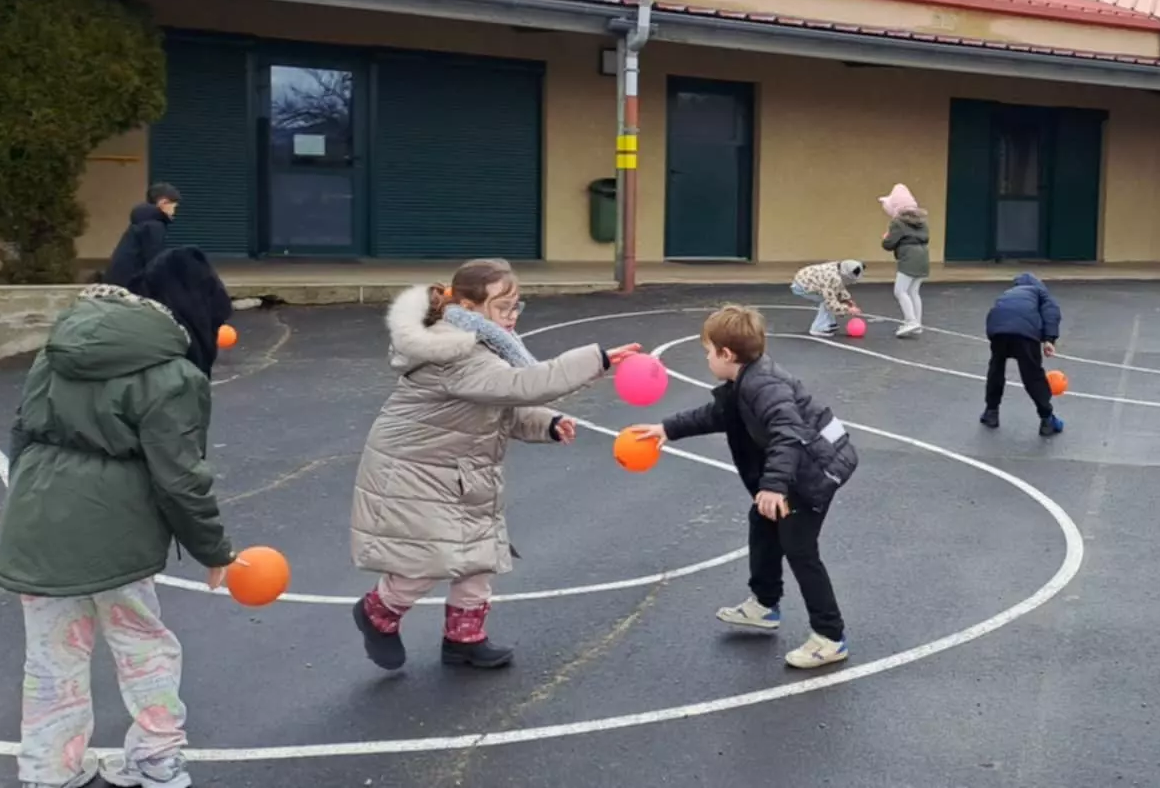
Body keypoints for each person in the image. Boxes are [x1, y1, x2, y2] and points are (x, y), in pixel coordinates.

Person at [0, 246, 237, 788]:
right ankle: (157, 758)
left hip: (38, 519)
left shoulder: (58, 347)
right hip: (117, 527)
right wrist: (213, 549)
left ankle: (48, 770)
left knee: (52, 655)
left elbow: (23, 429)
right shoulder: (173, 373)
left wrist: (35, 498)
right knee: (143, 644)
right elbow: (180, 476)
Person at [349, 258, 638, 671]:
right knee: (430, 557)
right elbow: (519, 385)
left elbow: (496, 406)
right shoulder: (454, 349)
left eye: (516, 306)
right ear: (468, 306)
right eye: (502, 306)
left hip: (462, 470)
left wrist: (546, 423)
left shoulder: (489, 344)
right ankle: (378, 613)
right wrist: (599, 360)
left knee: (479, 553)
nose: (511, 315)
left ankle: (464, 639)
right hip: (418, 468)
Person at [638, 305, 858, 669]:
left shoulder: (764, 386)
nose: (707, 357)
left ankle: (830, 637)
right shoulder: (746, 381)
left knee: (799, 548)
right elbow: (718, 415)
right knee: (763, 521)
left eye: (708, 351)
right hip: (802, 465)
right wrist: (667, 429)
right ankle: (764, 605)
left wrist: (774, 487)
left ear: (727, 354)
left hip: (815, 471)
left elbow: (788, 432)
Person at [979, 272, 1064, 436]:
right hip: (1025, 334)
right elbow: (1051, 313)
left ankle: (991, 412)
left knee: (996, 369)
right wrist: (1049, 339)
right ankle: (1047, 419)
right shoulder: (1040, 293)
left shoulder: (1008, 293)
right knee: (1033, 376)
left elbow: (995, 312)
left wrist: (994, 336)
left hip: (998, 330)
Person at [102, 182, 180, 290]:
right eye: (174, 206)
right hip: (128, 286)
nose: (174, 211)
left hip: (117, 282)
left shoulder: (143, 222)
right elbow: (154, 261)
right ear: (163, 202)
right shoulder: (154, 225)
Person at [878, 184, 930, 338]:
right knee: (913, 291)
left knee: (900, 291)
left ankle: (911, 321)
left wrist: (886, 238)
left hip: (909, 258)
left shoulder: (897, 223)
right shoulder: (922, 221)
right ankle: (917, 323)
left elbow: (889, 244)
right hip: (923, 257)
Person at [791, 259, 864, 337]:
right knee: (827, 300)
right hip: (802, 286)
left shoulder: (838, 268)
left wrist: (847, 300)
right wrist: (848, 309)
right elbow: (831, 302)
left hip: (804, 280)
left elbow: (838, 287)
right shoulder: (832, 278)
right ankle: (818, 328)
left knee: (831, 297)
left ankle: (830, 322)